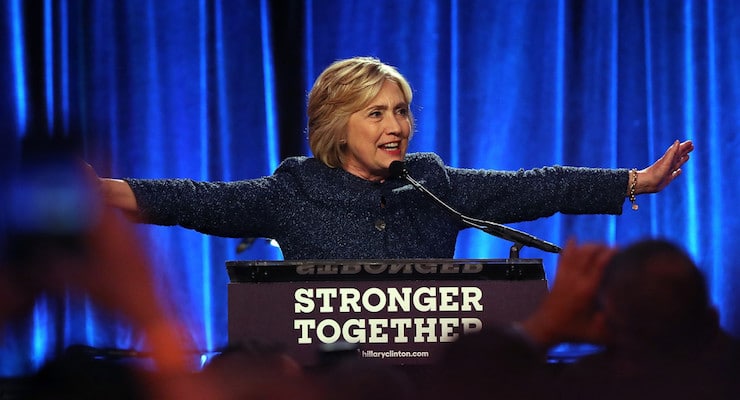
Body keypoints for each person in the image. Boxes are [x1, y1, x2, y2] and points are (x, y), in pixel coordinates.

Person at [95, 56, 694, 260]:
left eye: (401, 111)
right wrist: (102, 192)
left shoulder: (430, 182)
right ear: (337, 124)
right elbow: (192, 200)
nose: (397, 126)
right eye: (377, 113)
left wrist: (636, 181)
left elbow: (535, 186)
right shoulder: (293, 191)